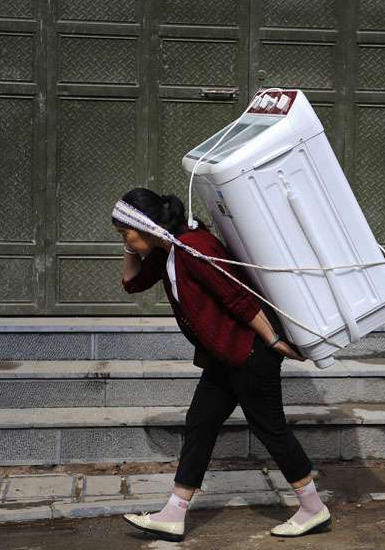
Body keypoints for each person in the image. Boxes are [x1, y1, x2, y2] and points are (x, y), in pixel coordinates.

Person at [112, 188, 331, 542]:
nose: (125, 241)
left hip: (249, 352)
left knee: (270, 428)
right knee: (200, 422)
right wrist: (131, 244)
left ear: (147, 225)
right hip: (224, 354)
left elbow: (238, 298)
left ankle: (312, 507)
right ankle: (173, 513)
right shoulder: (168, 249)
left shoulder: (193, 247)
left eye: (126, 233)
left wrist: (273, 342)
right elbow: (131, 283)